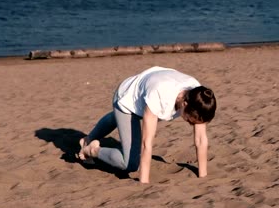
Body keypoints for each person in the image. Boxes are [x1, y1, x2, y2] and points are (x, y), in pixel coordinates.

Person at [78, 66, 217, 183]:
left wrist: (202, 175)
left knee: (118, 119)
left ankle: (86, 139)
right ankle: (91, 150)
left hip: (143, 94)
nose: (191, 124)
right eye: (191, 120)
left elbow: (200, 139)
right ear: (185, 104)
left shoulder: (198, 96)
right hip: (126, 97)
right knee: (130, 163)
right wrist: (143, 183)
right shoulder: (160, 95)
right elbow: (146, 144)